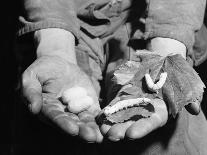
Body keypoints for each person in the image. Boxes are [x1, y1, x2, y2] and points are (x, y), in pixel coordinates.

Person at [16, 0, 207, 154]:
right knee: (55, 138)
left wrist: (167, 48)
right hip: (67, 23)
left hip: (149, 21)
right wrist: (55, 48)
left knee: (173, 138)